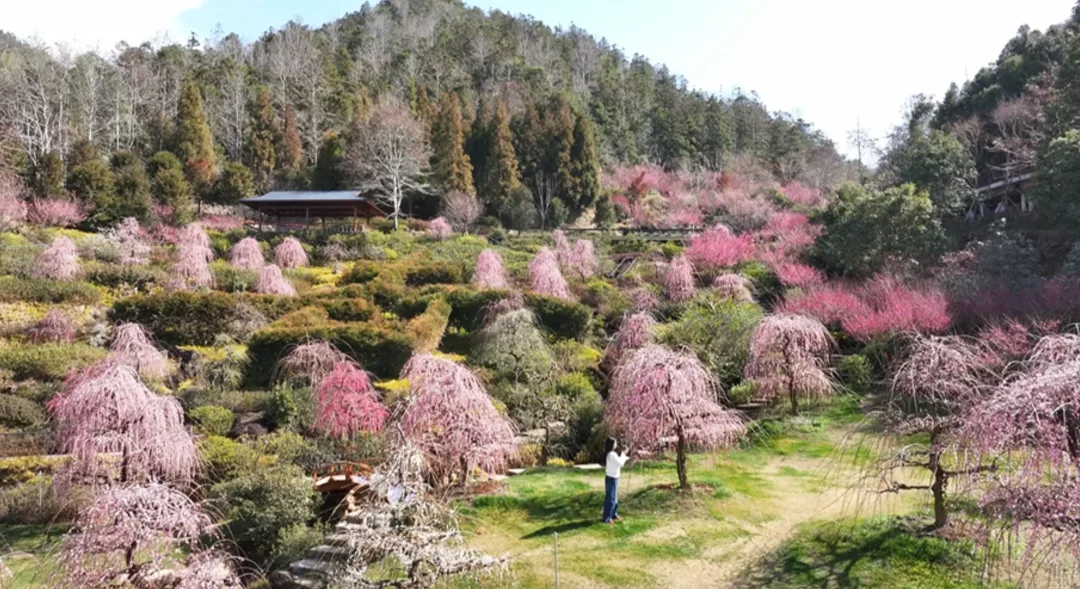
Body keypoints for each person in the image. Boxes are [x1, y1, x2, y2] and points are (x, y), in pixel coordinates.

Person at [603, 437, 629, 524]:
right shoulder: (611, 454)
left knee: (614, 497)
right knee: (610, 498)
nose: (616, 444)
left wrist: (623, 455)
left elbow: (618, 462)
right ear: (611, 445)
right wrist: (624, 456)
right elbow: (620, 463)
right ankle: (607, 517)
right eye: (615, 443)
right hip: (612, 478)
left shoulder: (611, 454)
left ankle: (614, 514)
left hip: (614, 477)